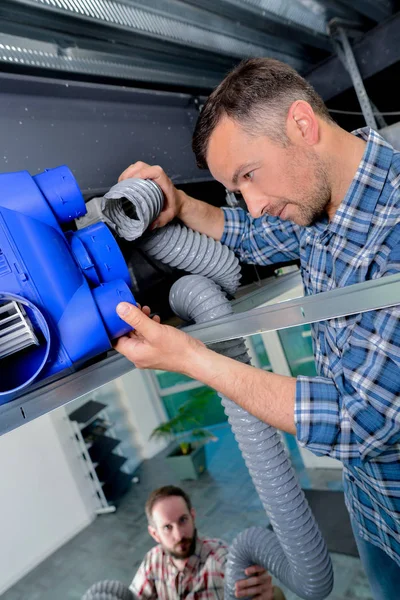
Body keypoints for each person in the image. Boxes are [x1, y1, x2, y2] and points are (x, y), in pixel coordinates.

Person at [115, 58, 400, 599]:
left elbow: (358, 421)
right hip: (372, 509)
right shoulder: (323, 203)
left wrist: (192, 358)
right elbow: (254, 234)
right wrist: (179, 204)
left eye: (248, 174)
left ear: (301, 124)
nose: (255, 202)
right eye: (236, 186)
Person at [130, 485, 285, 600]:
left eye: (183, 520)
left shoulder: (222, 561)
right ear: (155, 534)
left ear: (192, 516)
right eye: (167, 527)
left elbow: (264, 593)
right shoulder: (153, 561)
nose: (179, 535)